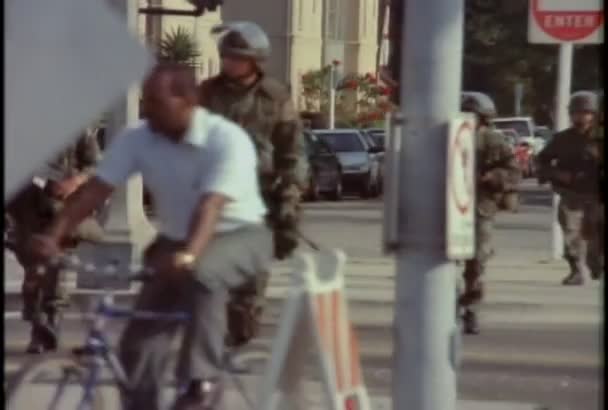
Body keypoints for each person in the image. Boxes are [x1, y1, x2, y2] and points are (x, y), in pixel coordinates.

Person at [28, 64, 273, 410]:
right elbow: (93, 192)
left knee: (204, 272)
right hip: (176, 241)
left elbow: (211, 206)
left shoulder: (225, 139)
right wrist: (52, 236)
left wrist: (188, 256)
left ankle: (200, 381)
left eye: (157, 102)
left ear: (188, 100)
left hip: (239, 234)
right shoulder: (138, 138)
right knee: (138, 344)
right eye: (146, 101)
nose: (148, 109)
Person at [198, 21, 305, 347]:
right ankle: (210, 347)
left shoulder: (275, 98)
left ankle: (239, 340)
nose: (230, 62)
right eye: (227, 56)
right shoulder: (207, 94)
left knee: (249, 287)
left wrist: (290, 196)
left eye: (238, 57)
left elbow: (293, 150)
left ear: (255, 60)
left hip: (259, 200)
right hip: (214, 199)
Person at [7, 129, 104, 354]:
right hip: (26, 210)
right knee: (33, 271)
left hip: (62, 209)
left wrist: (75, 181)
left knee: (55, 267)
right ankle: (38, 321)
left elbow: (97, 166)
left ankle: (48, 324)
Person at [458, 93, 522, 334]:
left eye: (474, 116)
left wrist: (490, 177)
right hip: (449, 204)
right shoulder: (449, 138)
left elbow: (514, 172)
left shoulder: (494, 141)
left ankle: (470, 308)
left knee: (477, 257)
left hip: (480, 205)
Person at [537, 91, 603, 285]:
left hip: (596, 194)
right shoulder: (562, 139)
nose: (580, 117)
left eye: (585, 112)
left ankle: (595, 266)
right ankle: (576, 270)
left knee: (596, 236)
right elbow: (542, 160)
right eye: (576, 112)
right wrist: (555, 174)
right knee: (571, 233)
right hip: (571, 194)